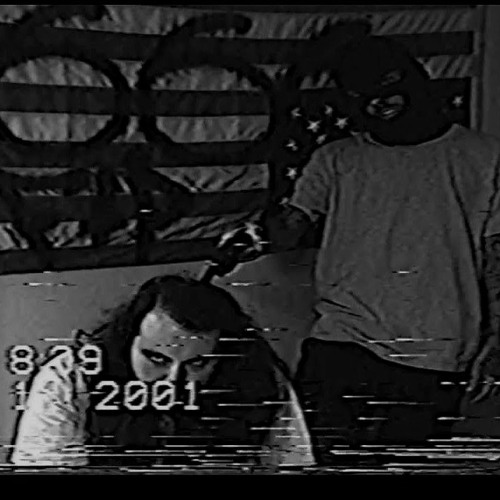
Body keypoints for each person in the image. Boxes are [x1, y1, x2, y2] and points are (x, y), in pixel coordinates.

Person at [215, 34, 500, 464]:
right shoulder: (337, 158)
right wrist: (255, 237)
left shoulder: (485, 157)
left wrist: (496, 342)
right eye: (361, 96)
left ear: (416, 82)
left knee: (401, 466)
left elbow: (497, 257)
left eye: (388, 90)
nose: (378, 105)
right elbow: (294, 223)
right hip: (340, 337)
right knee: (319, 459)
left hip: (434, 349)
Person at [10, 275, 314, 469]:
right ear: (127, 341)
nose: (173, 381)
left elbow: (291, 462)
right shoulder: (71, 375)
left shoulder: (260, 377)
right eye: (156, 359)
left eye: (197, 364)